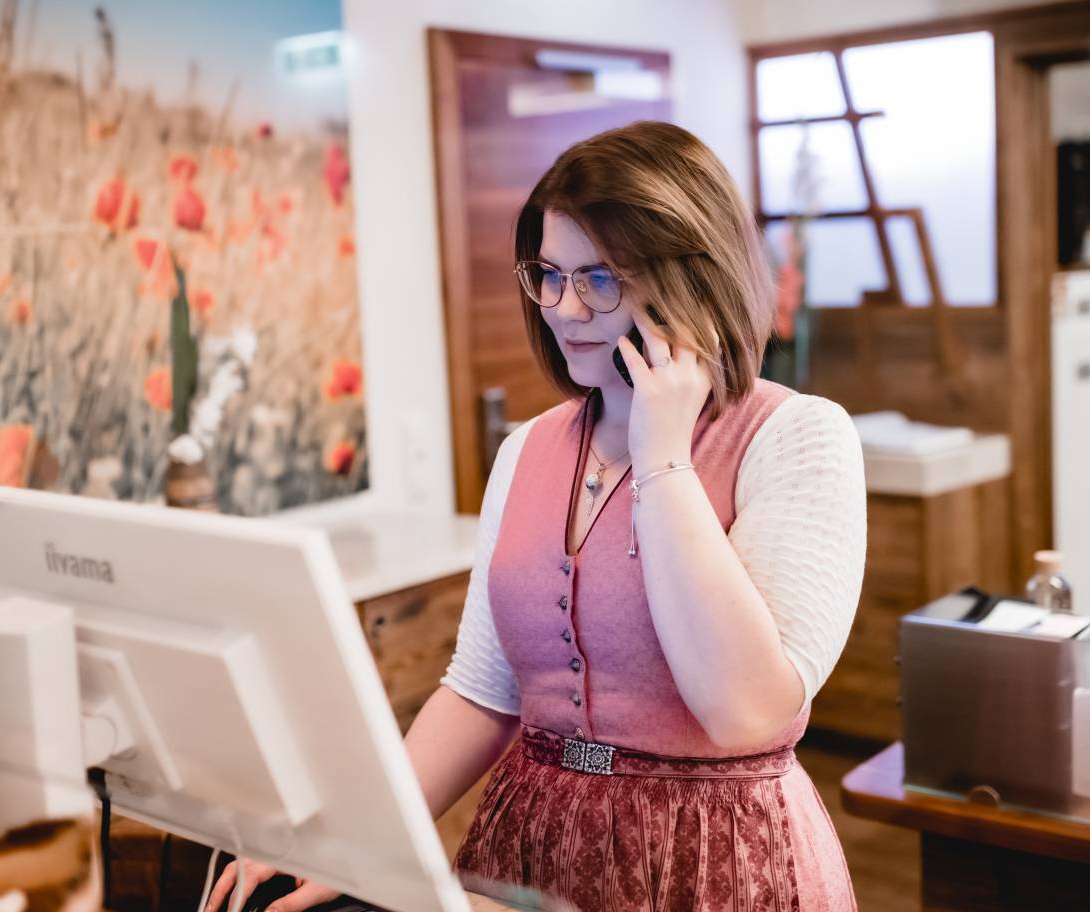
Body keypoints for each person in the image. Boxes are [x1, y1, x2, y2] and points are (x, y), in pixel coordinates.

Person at [208, 121, 866, 912]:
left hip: (715, 861)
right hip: (532, 855)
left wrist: (663, 456)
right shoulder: (527, 450)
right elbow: (482, 692)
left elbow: (743, 708)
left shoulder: (796, 436)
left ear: (692, 279)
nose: (564, 309)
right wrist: (352, 842)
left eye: (599, 279)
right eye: (548, 275)